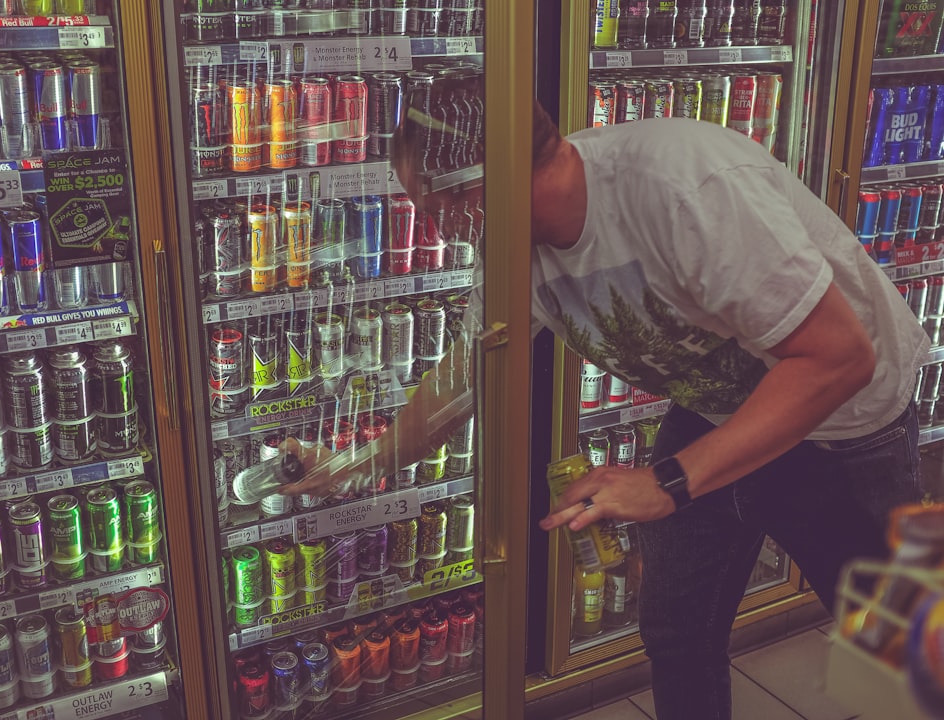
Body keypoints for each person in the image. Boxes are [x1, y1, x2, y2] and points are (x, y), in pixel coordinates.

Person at [283, 99, 928, 720]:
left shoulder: (683, 189)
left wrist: (667, 482)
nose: (433, 229)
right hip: (714, 409)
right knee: (678, 631)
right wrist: (353, 465)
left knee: (890, 642)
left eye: (433, 207)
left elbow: (840, 359)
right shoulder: (512, 239)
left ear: (475, 187)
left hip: (844, 420)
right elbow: (466, 378)